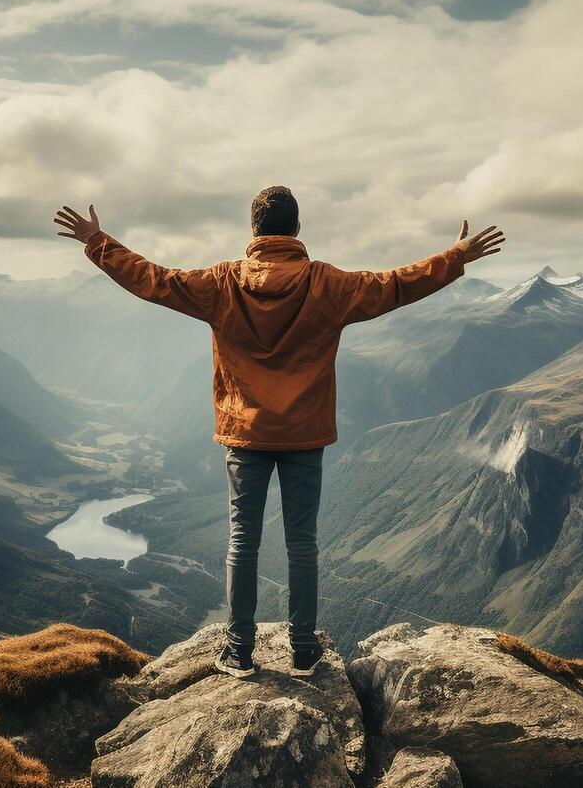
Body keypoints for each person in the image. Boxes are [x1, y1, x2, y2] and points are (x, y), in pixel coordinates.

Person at [54, 187, 504, 677]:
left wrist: (98, 242)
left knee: (242, 541)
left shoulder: (222, 282)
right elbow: (394, 285)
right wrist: (455, 257)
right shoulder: (327, 285)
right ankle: (304, 649)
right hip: (304, 434)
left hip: (244, 434)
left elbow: (155, 280)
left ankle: (239, 651)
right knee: (303, 543)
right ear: (296, 229)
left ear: (254, 230)